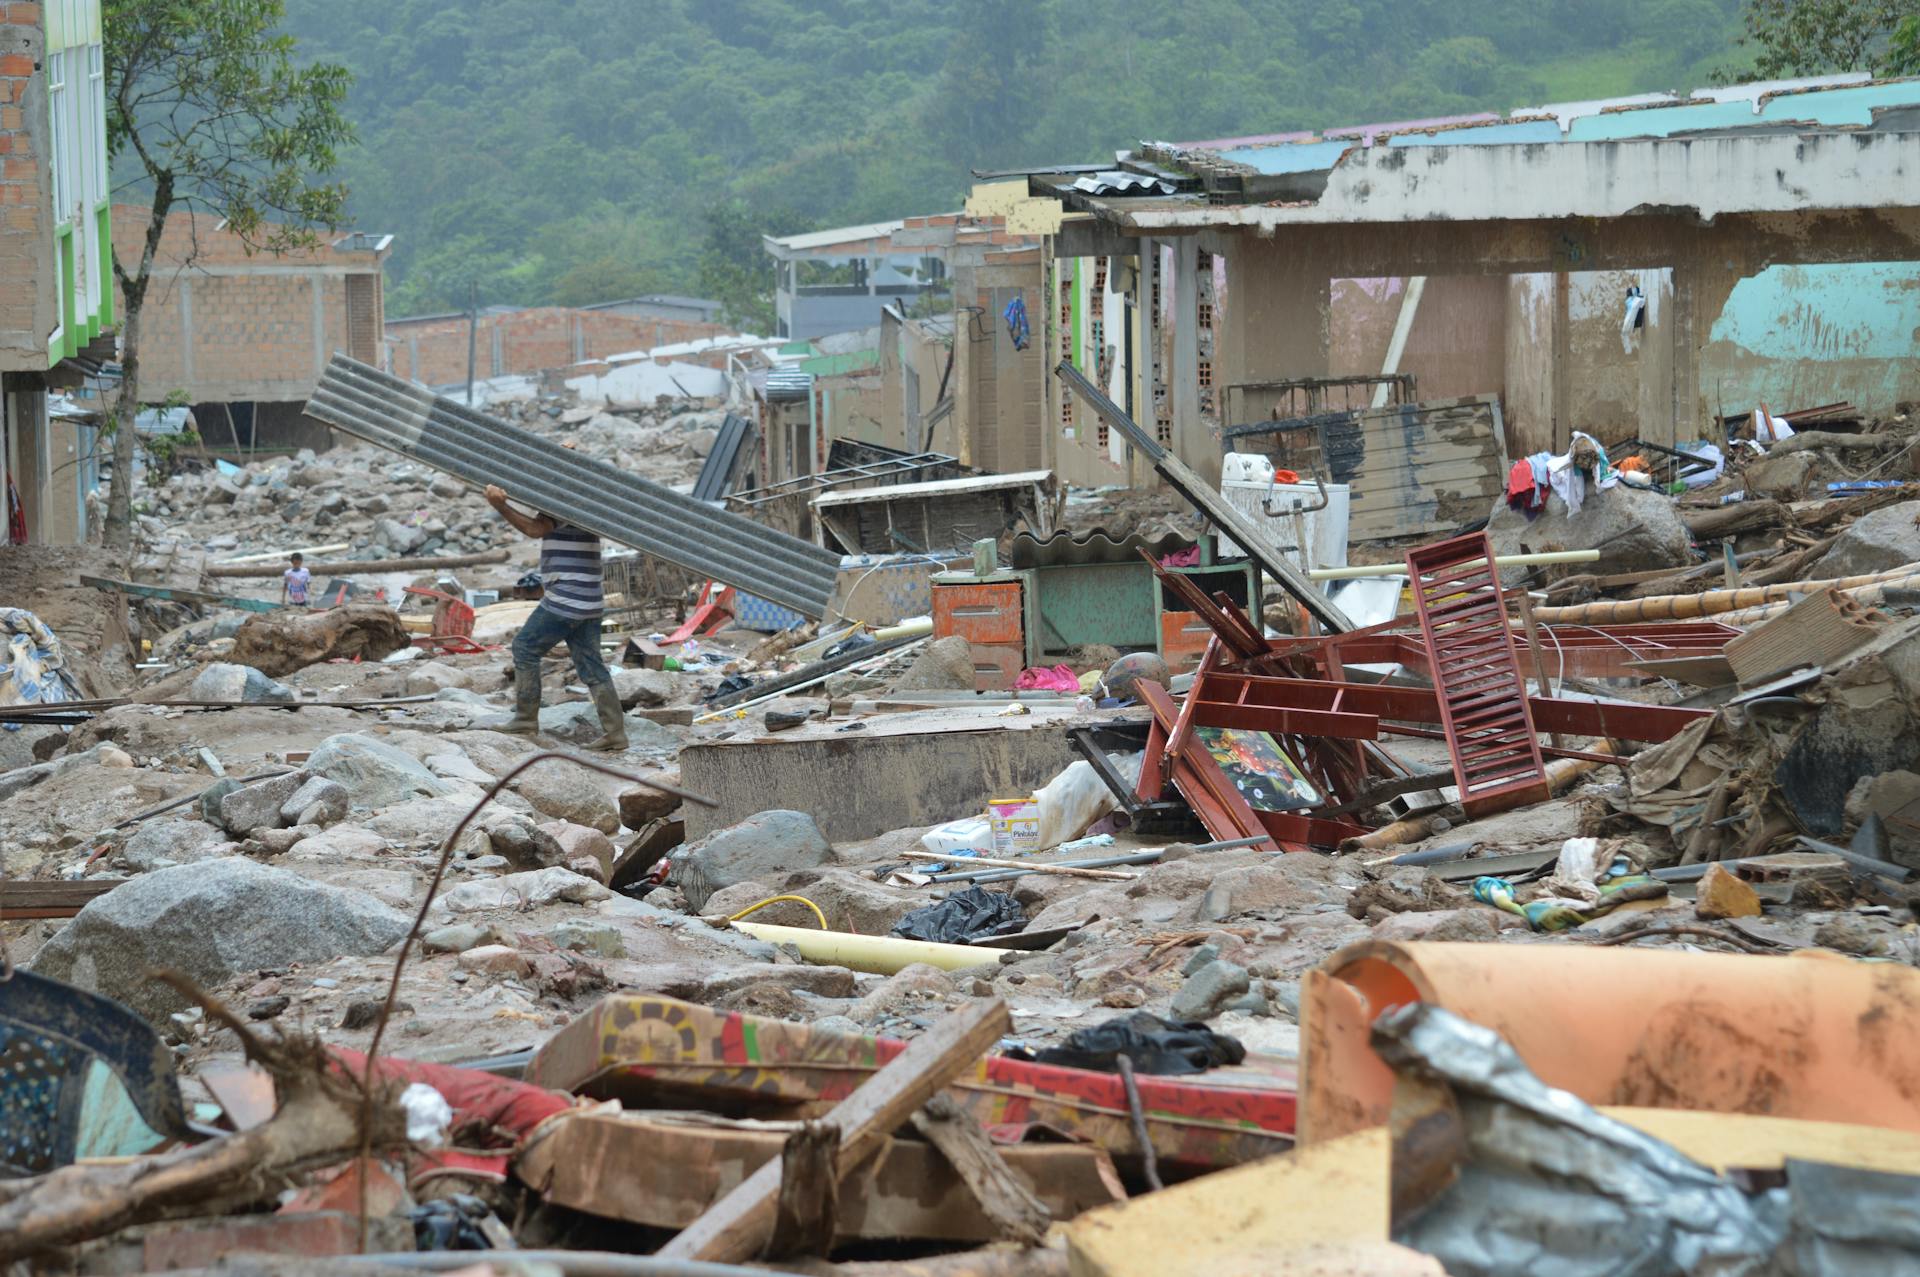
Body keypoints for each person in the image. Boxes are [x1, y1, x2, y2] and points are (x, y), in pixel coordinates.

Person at [483, 485, 626, 751]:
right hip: (591, 601)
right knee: (592, 667)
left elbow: (536, 529)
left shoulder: (561, 499)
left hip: (566, 599)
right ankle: (615, 733)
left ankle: (525, 719)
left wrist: (500, 505)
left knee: (524, 647)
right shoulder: (589, 503)